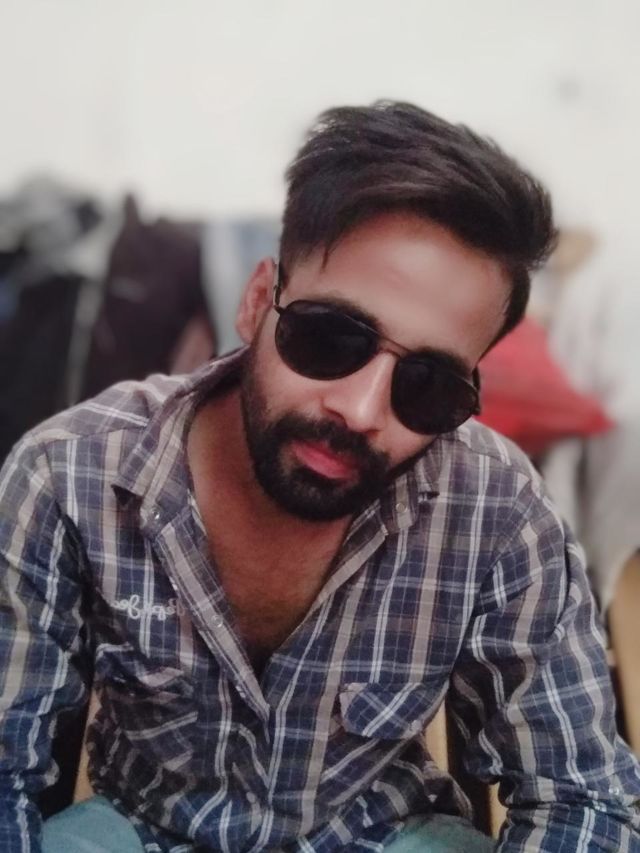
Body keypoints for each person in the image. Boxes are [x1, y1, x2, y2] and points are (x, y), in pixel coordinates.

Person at [1, 101, 639, 853]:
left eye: (429, 385)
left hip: (383, 833)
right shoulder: (69, 473)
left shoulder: (498, 510)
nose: (361, 411)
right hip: (142, 830)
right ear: (256, 302)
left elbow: (582, 796)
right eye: (331, 337)